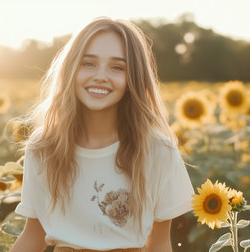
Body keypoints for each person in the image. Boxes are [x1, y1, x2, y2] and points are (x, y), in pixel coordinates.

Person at [10, 17, 194, 252]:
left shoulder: (157, 150)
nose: (100, 76)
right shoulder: (44, 147)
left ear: (133, 79)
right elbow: (33, 236)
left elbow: (158, 243)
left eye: (117, 67)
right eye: (88, 63)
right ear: (71, 69)